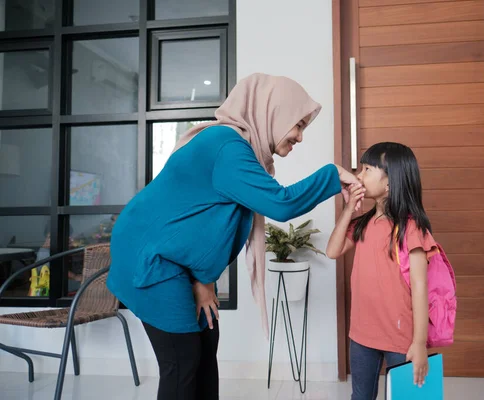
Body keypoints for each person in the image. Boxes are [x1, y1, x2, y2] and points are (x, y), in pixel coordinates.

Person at [106, 73, 360, 400]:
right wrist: (332, 174)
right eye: (297, 124)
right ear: (272, 112)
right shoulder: (227, 148)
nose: (299, 136)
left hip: (172, 258)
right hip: (149, 261)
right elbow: (280, 204)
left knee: (206, 339)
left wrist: (203, 280)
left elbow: (205, 225)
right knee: (182, 361)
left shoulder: (240, 152)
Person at [326, 142, 436, 400]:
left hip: (400, 338)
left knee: (405, 397)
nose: (359, 175)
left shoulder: (411, 228)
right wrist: (348, 208)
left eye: (366, 170)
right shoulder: (363, 224)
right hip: (362, 334)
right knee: (360, 397)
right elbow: (332, 251)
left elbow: (420, 288)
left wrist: (419, 343)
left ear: (390, 183)